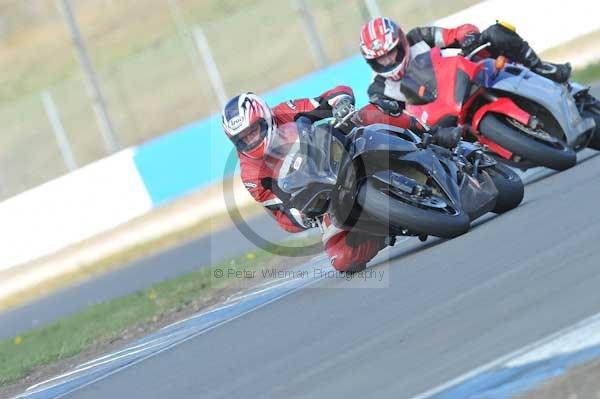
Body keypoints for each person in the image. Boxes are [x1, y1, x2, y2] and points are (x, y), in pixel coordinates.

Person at [222, 89, 387, 272]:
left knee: (367, 114)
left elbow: (326, 99)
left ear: (266, 118)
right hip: (324, 200)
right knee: (342, 259)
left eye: (253, 130)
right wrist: (300, 218)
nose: (250, 139)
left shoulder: (285, 112)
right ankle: (383, 233)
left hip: (336, 153)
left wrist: (340, 102)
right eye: (242, 138)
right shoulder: (250, 175)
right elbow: (279, 213)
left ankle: (419, 129)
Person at [357, 17, 572, 134]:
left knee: (496, 32)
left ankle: (541, 68)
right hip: (440, 121)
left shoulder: (418, 38)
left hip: (460, 81)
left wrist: (468, 37)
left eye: (391, 52)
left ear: (400, 42)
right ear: (371, 62)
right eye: (381, 59)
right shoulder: (378, 89)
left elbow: (456, 32)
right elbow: (389, 119)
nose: (388, 61)